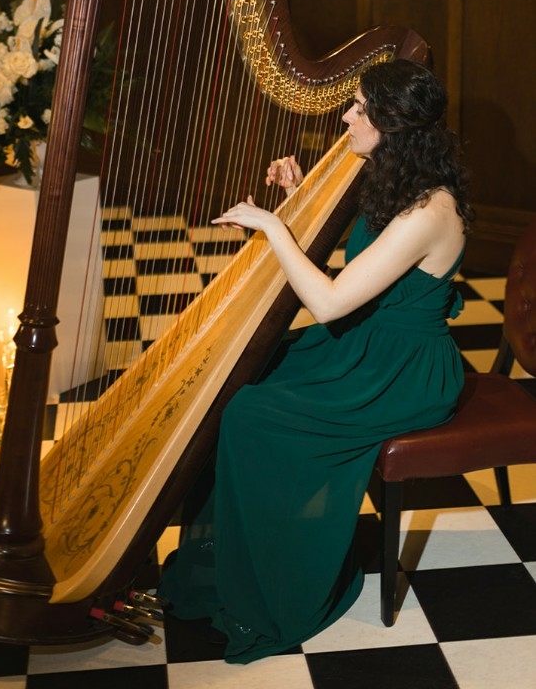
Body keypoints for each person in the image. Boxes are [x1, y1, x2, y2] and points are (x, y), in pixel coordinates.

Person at [158, 58, 474, 665]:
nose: (345, 116)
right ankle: (233, 559)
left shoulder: (429, 211)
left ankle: (278, 583)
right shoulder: (397, 177)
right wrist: (297, 196)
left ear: (391, 123)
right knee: (245, 376)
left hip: (403, 371)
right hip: (366, 344)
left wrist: (272, 226)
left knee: (252, 414)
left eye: (358, 108)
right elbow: (358, 273)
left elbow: (328, 302)